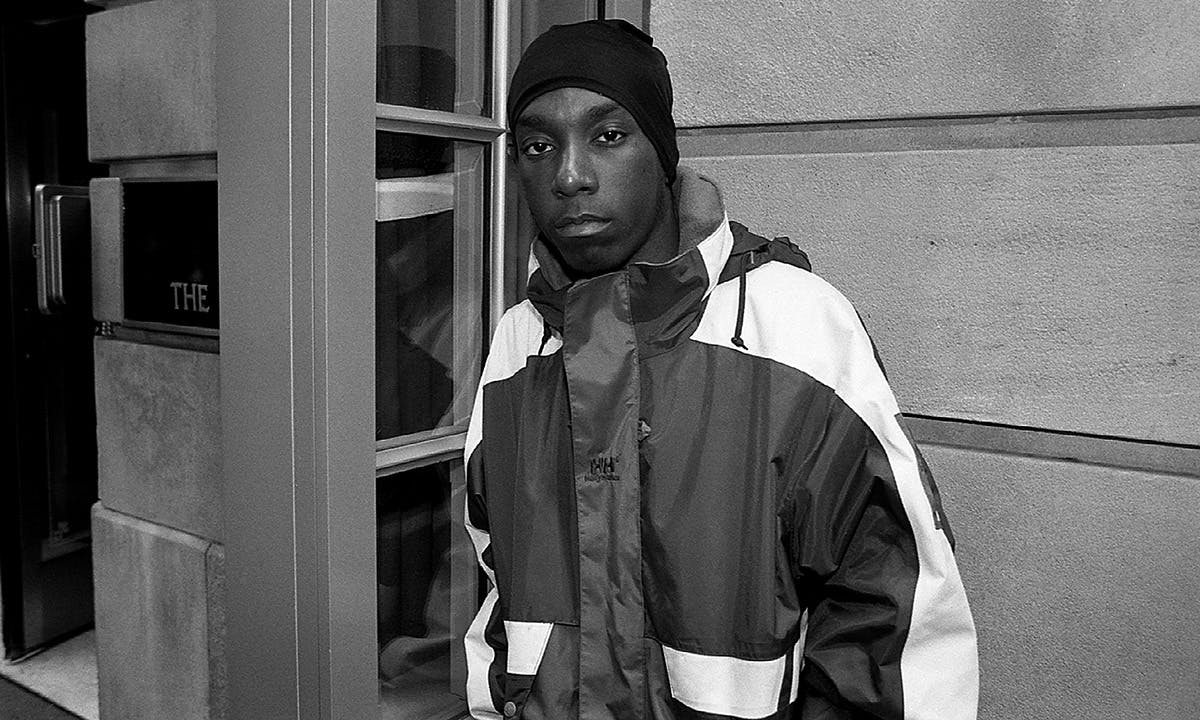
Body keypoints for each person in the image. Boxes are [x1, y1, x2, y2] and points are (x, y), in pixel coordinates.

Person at [463, 19, 978, 720]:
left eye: (609, 136)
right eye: (537, 145)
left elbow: (894, 613)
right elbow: (500, 586)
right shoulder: (518, 344)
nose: (570, 175)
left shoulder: (796, 326)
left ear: (662, 152)